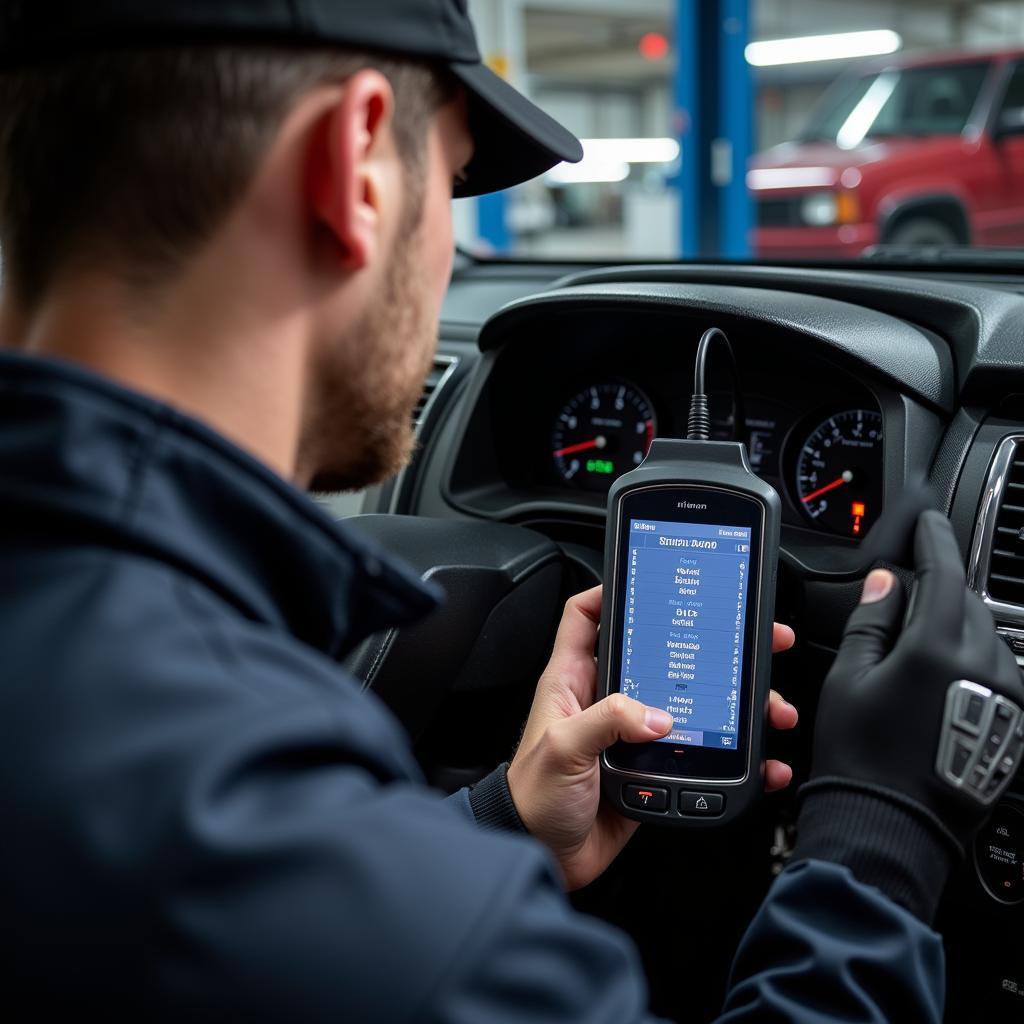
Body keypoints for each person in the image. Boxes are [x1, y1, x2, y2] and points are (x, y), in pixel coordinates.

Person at [0, 2, 1021, 1021]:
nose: (445, 250)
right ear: (352, 165)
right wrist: (872, 840)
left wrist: (500, 827)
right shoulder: (248, 813)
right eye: (446, 181)